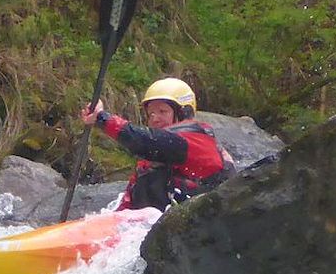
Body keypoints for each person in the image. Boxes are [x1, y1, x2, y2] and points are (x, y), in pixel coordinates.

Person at [80, 76, 231, 210]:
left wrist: (102, 118)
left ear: (183, 112)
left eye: (162, 111)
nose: (155, 118)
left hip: (200, 226)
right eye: (151, 113)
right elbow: (129, 204)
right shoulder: (157, 154)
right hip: (160, 227)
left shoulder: (196, 139)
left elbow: (143, 141)